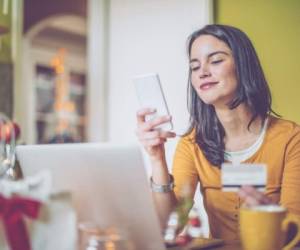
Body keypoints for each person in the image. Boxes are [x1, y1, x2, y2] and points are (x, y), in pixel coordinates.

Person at [135, 24, 300, 241]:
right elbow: (170, 228)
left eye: (215, 61)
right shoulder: (192, 144)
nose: (203, 72)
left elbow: (295, 231)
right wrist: (157, 158)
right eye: (195, 67)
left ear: (243, 65)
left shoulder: (291, 139)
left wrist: (272, 217)